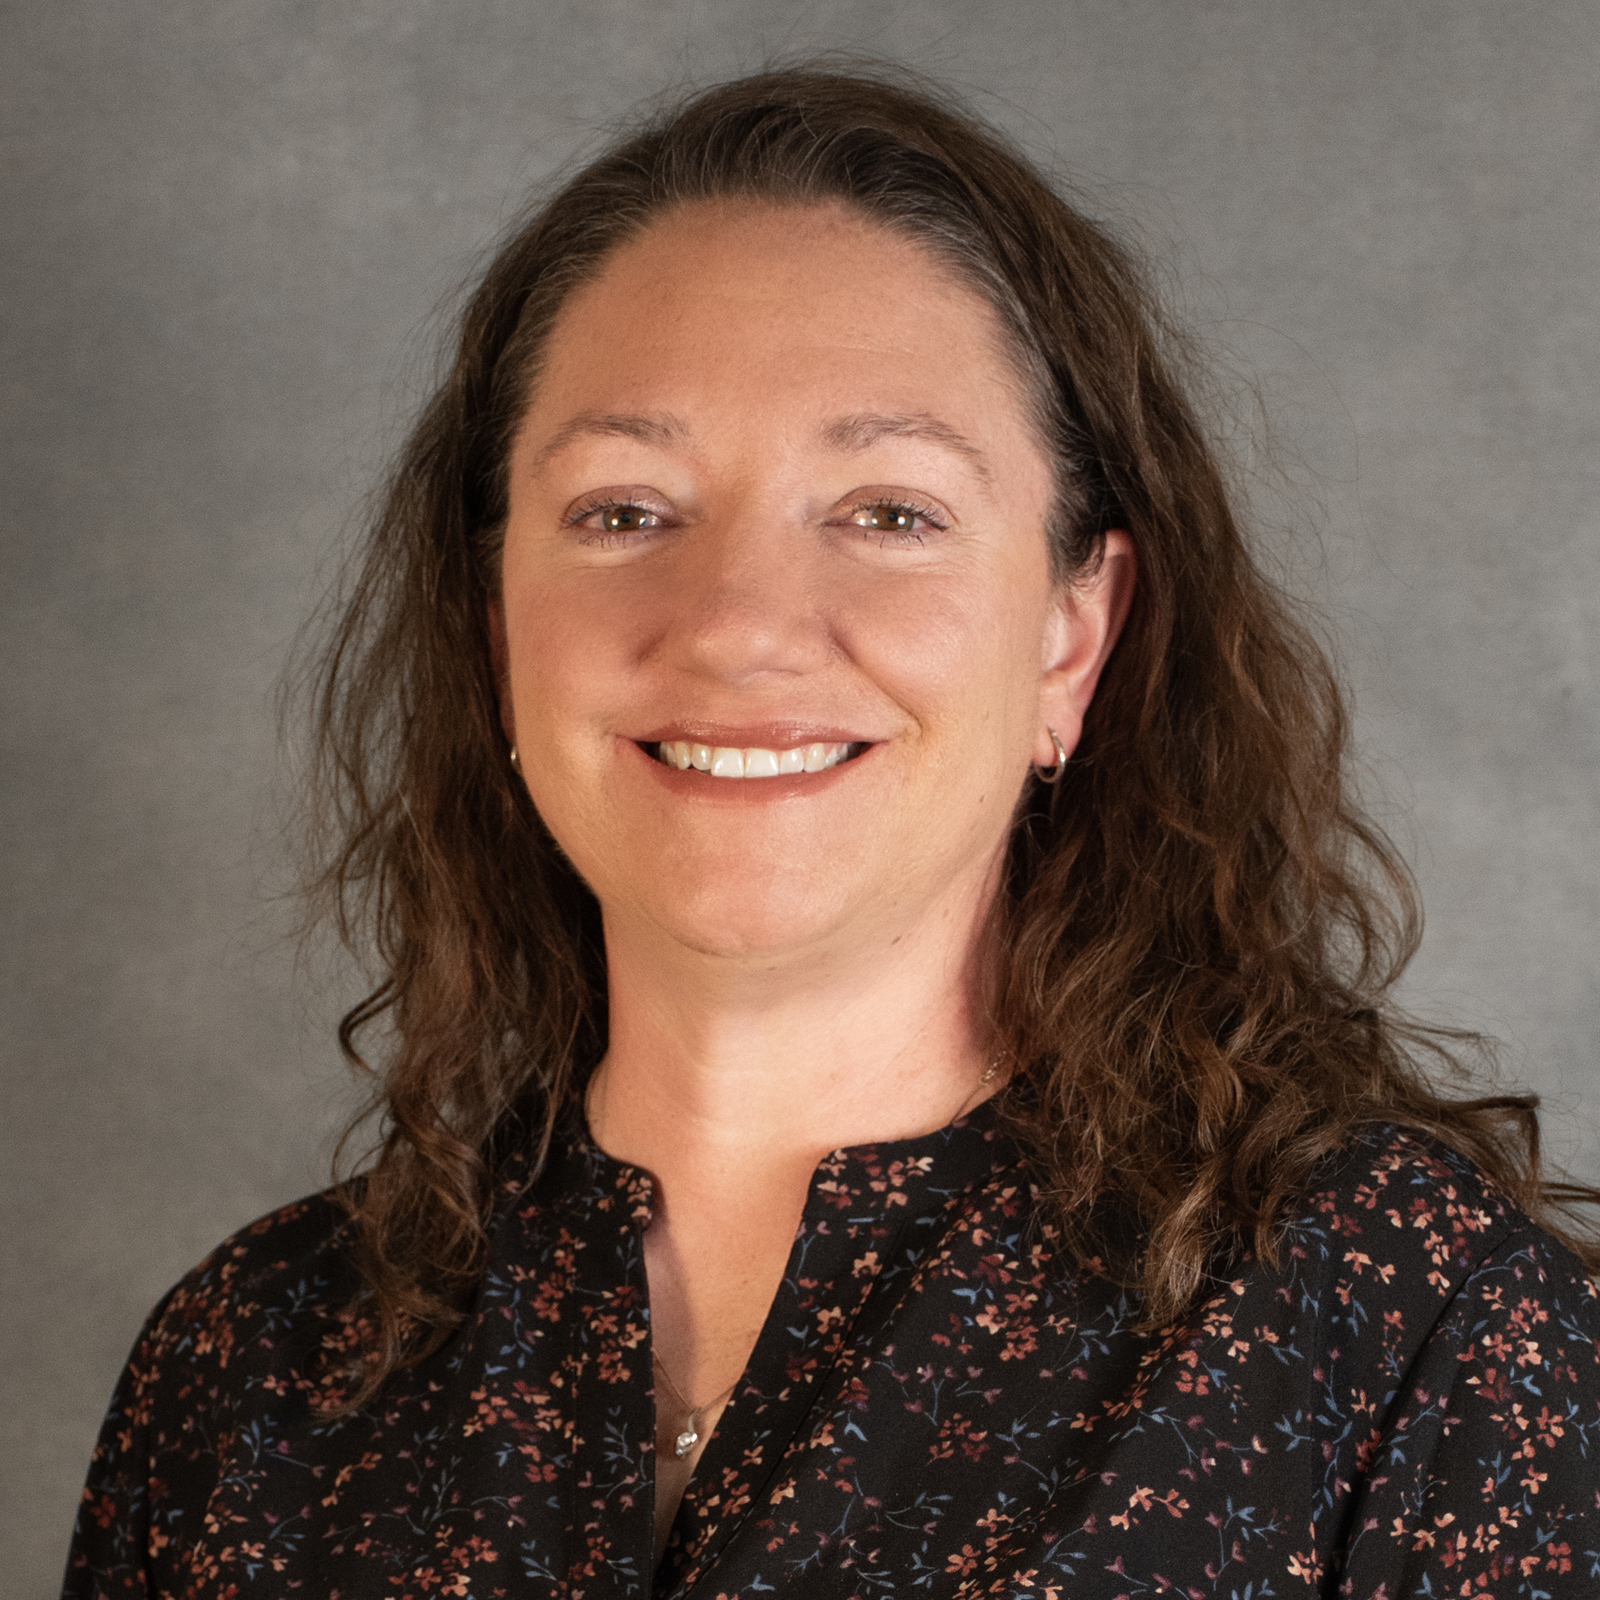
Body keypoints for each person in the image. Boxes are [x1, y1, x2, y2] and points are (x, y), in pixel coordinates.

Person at [64, 64, 1600, 1599]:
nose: (734, 626)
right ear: (496, 634)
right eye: (624, 510)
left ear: (1072, 634)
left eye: (888, 512)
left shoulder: (1404, 1326)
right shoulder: (247, 1374)